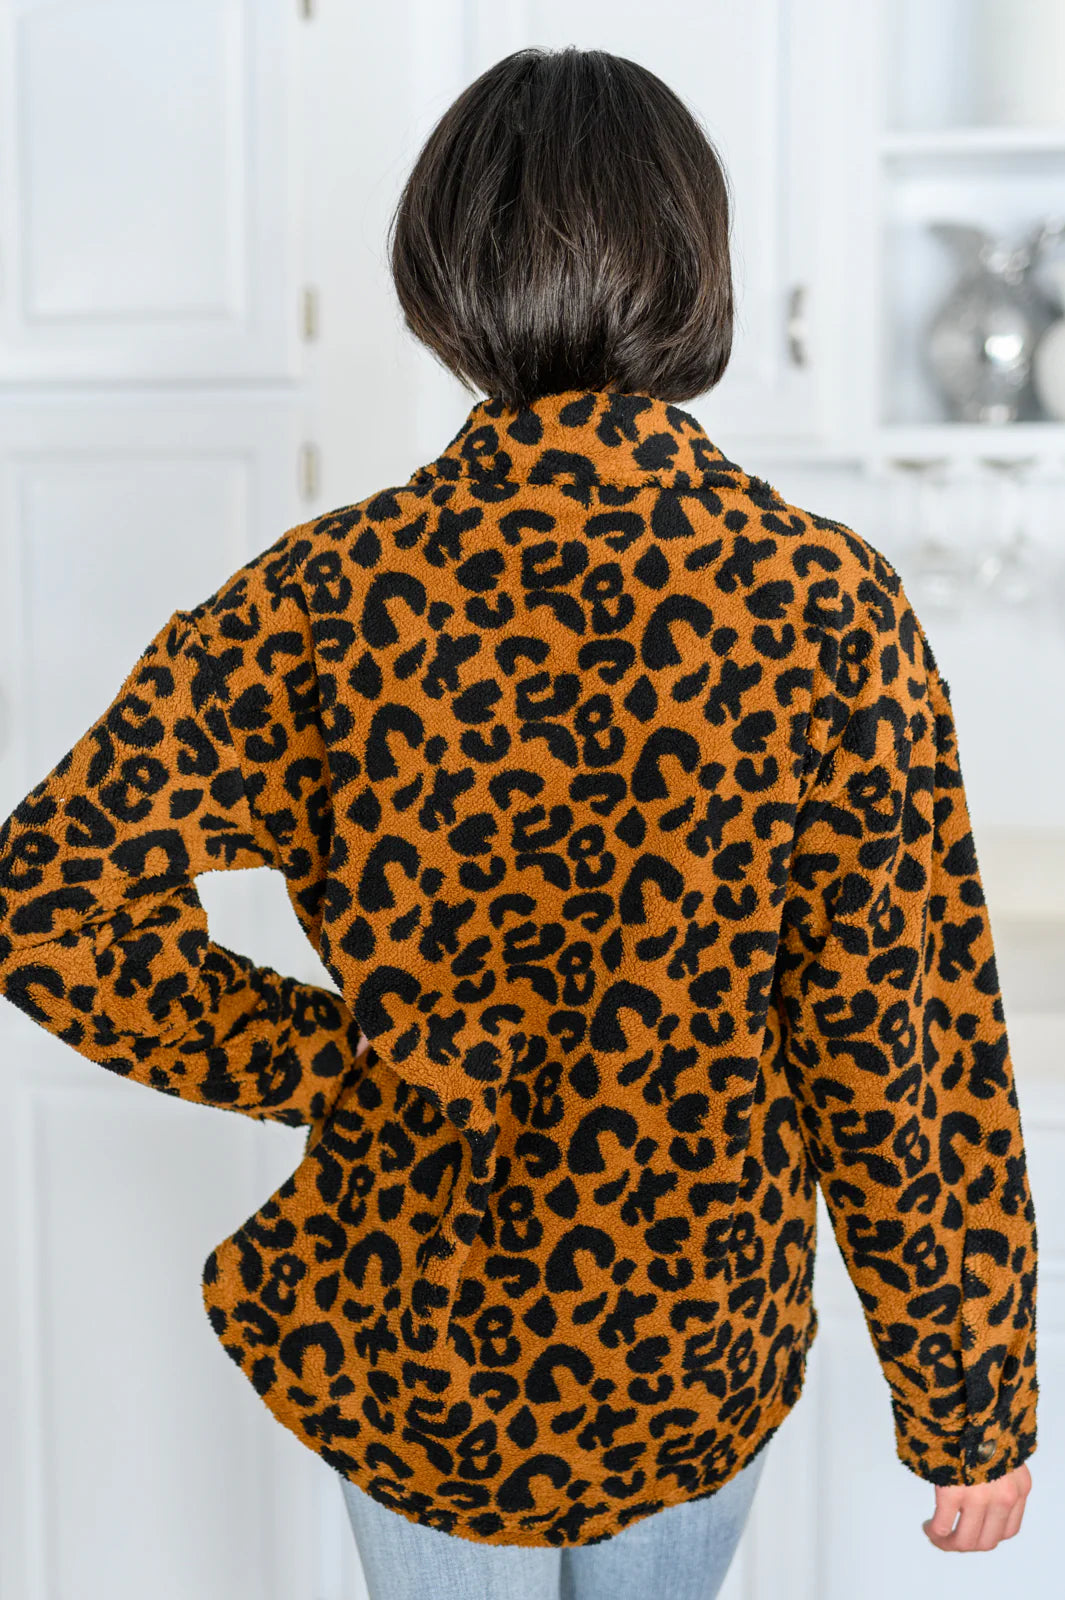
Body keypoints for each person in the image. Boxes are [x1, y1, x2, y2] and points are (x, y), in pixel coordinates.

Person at [0, 43, 1037, 1600]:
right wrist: (968, 1398)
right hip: (694, 1334)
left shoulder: (324, 597)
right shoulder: (823, 602)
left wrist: (330, 1062)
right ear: (694, 267)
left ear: (442, 275)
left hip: (414, 1334)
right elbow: (897, 1036)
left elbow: (49, 901)